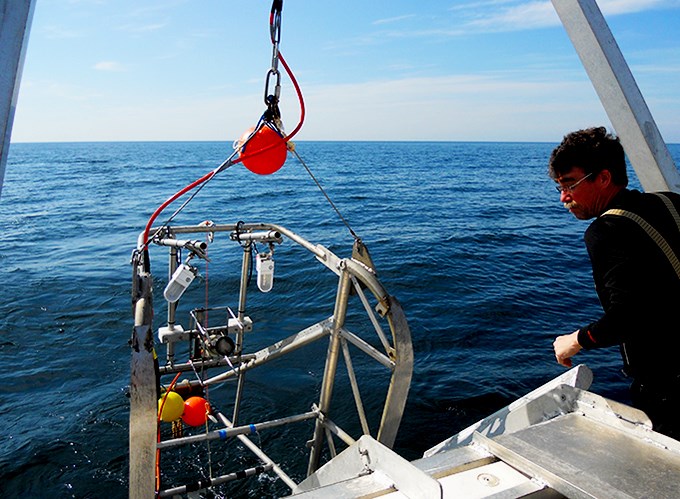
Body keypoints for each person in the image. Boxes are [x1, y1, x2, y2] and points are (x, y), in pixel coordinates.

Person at [549, 126, 680, 440]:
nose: (564, 198)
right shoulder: (671, 203)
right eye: (558, 187)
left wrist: (576, 340)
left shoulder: (606, 232)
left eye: (570, 185)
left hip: (668, 382)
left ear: (603, 178)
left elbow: (629, 316)